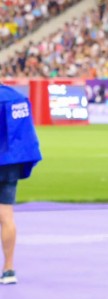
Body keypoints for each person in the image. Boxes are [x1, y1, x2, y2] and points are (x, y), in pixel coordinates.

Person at [0, 85, 42, 286]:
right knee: (6, 216)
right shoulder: (17, 97)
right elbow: (26, 135)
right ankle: (8, 269)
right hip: (10, 164)